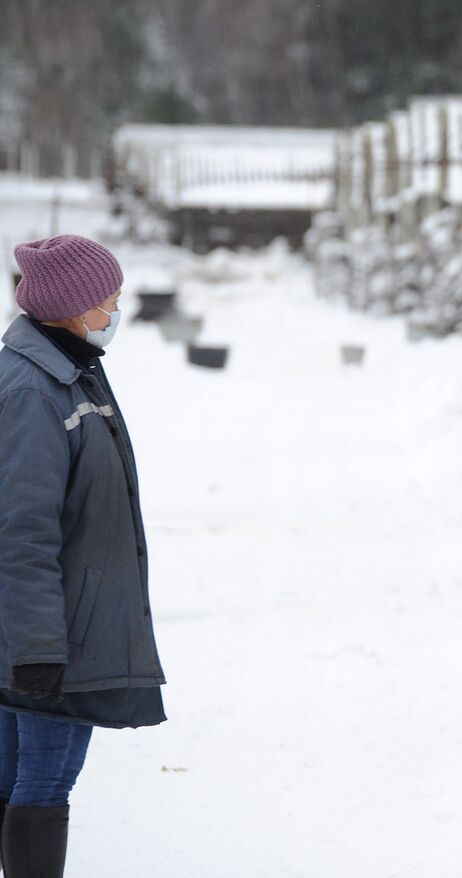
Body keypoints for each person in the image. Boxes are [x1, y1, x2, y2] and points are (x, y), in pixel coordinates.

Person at [0, 235, 167, 877]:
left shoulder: (71, 370)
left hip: (61, 625)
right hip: (51, 636)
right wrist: (38, 649)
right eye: (108, 298)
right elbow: (21, 532)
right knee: (43, 785)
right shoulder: (34, 391)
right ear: (71, 307)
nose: (116, 308)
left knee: (26, 781)